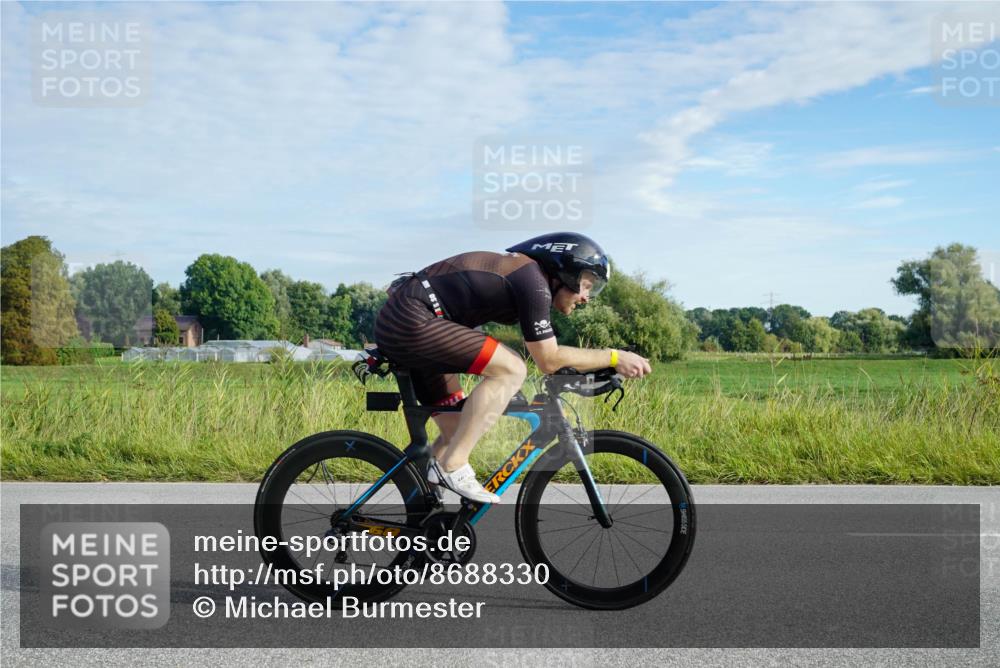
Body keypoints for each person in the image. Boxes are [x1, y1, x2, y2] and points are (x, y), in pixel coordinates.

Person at [373, 232, 652, 504]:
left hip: (415, 321)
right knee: (511, 369)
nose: (586, 297)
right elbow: (549, 359)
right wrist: (614, 357)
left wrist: (594, 368)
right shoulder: (533, 282)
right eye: (587, 285)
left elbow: (551, 360)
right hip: (411, 320)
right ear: (566, 272)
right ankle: (452, 467)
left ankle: (424, 509)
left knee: (458, 428)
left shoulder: (529, 276)